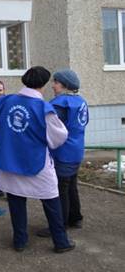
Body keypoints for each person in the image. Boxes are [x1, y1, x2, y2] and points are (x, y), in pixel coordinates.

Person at [0, 66, 75, 253]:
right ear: (44, 84)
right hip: (35, 162)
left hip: (9, 160)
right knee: (51, 199)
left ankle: (20, 241)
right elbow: (59, 136)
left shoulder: (6, 101)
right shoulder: (43, 107)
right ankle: (61, 241)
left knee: (16, 200)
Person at [37, 69, 88, 238]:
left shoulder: (60, 103)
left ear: (65, 85)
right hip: (77, 150)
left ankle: (60, 225)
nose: (53, 86)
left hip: (63, 152)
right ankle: (76, 218)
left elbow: (49, 126)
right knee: (71, 185)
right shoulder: (80, 101)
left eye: (56, 82)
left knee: (60, 189)